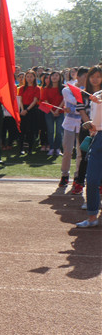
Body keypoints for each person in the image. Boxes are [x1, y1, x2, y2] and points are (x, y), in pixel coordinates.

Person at [76, 67, 102, 228]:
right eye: (93, 76)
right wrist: (91, 125)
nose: (96, 79)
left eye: (99, 76)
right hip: (97, 139)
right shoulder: (95, 95)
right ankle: (92, 217)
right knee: (91, 179)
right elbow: (95, 120)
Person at [59, 68, 89, 192]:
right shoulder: (67, 89)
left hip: (83, 124)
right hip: (69, 123)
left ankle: (78, 176)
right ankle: (64, 175)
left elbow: (83, 105)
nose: (88, 79)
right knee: (67, 150)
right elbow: (76, 101)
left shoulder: (88, 91)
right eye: (85, 77)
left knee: (80, 152)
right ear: (78, 77)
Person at [18, 70, 41, 157]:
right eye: (27, 76)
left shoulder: (37, 88)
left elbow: (35, 101)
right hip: (22, 109)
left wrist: (27, 110)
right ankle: (21, 149)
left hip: (32, 110)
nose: (29, 78)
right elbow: (20, 99)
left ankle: (30, 149)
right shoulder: (22, 88)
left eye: (31, 76)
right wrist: (22, 110)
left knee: (31, 130)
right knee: (22, 130)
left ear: (34, 77)